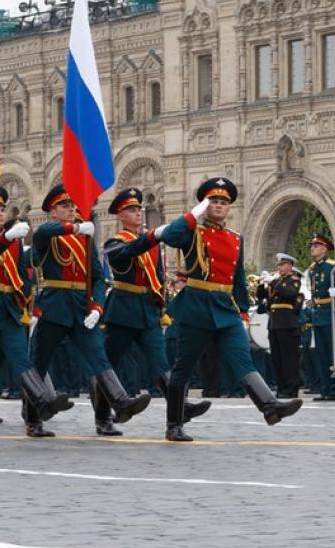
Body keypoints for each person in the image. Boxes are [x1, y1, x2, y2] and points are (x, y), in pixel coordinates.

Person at [154, 177, 302, 440]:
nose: (219, 206)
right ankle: (174, 424)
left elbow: (238, 279)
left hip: (225, 309)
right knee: (183, 367)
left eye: (223, 202)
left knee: (242, 359)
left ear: (229, 207)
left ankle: (269, 407)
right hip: (197, 306)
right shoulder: (192, 232)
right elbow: (168, 236)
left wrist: (243, 311)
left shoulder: (235, 238)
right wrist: (193, 215)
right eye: (213, 202)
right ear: (205, 205)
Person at [30, 184, 150, 436]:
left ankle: (118, 403)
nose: (71, 209)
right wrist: (73, 227)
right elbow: (42, 234)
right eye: (64, 206)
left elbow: (96, 277)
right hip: (55, 305)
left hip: (82, 307)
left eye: (73, 205)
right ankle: (33, 417)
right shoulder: (50, 234)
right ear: (53, 212)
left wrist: (97, 306)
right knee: (41, 361)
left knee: (98, 355)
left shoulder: (84, 238)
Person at [0, 186, 72, 441]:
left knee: (22, 359)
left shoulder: (13, 241)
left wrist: (27, 294)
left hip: (8, 309)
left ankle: (42, 401)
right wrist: (6, 238)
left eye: (1, 209)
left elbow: (23, 272)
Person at [100, 188, 210, 437]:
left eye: (139, 209)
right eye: (131, 210)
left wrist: (160, 306)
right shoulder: (115, 242)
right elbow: (128, 253)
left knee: (161, 365)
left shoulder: (150, 245)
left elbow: (158, 278)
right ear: (120, 215)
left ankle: (179, 408)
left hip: (147, 311)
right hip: (124, 310)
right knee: (109, 365)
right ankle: (103, 417)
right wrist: (153, 236)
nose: (137, 213)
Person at [307, 233, 335, 401]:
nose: (312, 248)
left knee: (334, 353)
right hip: (318, 315)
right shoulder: (312, 269)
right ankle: (325, 389)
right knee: (321, 354)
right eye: (312, 245)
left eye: (316, 246)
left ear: (324, 249)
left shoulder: (333, 267)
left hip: (331, 314)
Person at [260, 254, 304, 398]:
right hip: (274, 324)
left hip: (287, 324)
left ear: (290, 266)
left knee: (289, 358)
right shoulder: (277, 282)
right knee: (277, 358)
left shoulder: (294, 281)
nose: (279, 268)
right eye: (278, 265)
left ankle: (291, 389)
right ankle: (281, 387)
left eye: (282, 265)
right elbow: (262, 296)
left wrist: (272, 282)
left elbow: (289, 293)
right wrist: (262, 284)